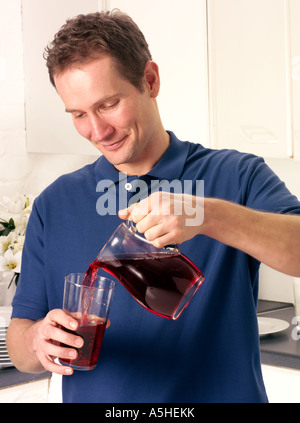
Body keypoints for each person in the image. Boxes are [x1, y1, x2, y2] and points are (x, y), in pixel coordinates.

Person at [6, 10, 300, 403]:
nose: (97, 131)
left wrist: (206, 215)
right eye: (78, 114)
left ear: (150, 80)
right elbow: (22, 338)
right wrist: (37, 340)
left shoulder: (236, 175)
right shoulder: (54, 204)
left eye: (109, 104)